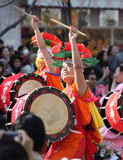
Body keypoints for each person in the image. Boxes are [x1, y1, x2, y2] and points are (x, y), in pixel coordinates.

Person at [42, 25, 103, 159]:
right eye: (62, 67)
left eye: (68, 66)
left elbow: (77, 66)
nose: (64, 69)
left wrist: (73, 42)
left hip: (75, 138)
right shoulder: (64, 91)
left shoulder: (79, 88)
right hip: (61, 138)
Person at [31, 16, 63, 90]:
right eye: (39, 52)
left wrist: (35, 28)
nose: (41, 54)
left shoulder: (53, 68)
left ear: (50, 55)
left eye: (46, 53)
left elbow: (42, 47)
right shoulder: (36, 74)